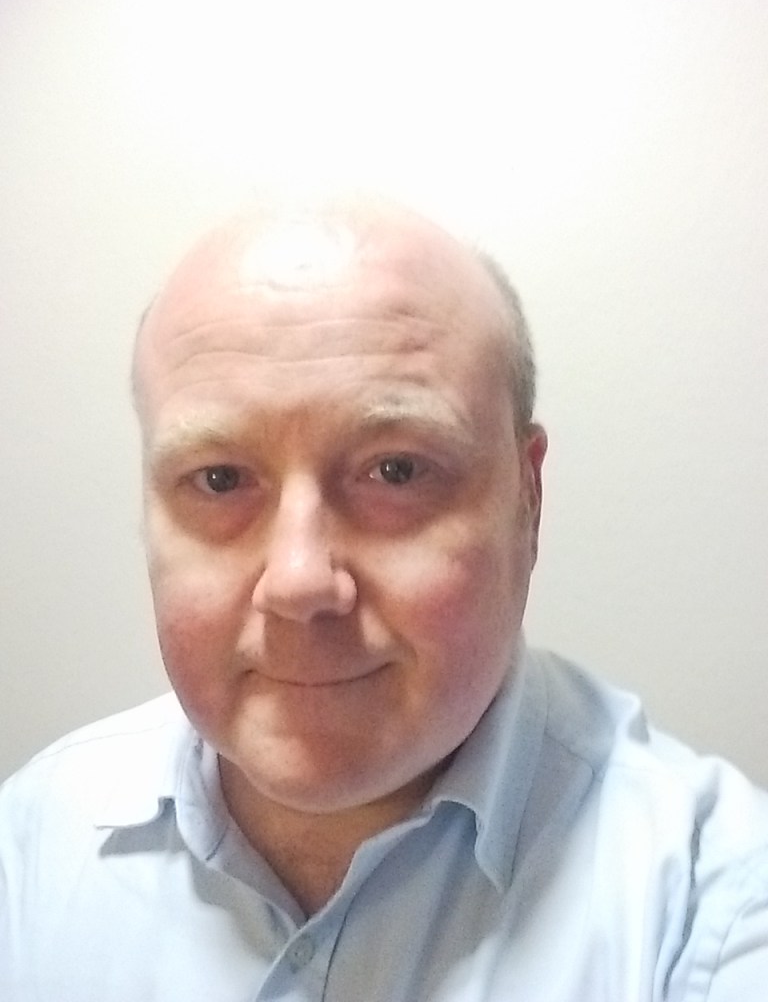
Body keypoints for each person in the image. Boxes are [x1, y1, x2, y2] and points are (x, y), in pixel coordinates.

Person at [1, 194, 767, 1001]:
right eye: (220, 479)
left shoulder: (712, 909)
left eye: (395, 471)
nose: (299, 581)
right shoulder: (32, 851)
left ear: (527, 499)